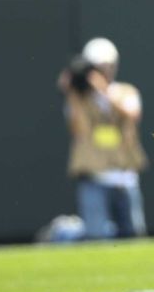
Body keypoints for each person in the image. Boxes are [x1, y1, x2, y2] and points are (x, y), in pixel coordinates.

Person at [59, 38, 149, 239]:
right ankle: (62, 233)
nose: (103, 72)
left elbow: (132, 113)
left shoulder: (126, 91)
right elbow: (78, 131)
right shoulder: (80, 100)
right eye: (98, 68)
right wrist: (72, 93)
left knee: (134, 235)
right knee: (96, 236)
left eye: (106, 67)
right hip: (95, 176)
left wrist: (102, 89)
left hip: (125, 177)